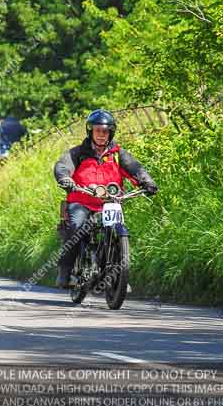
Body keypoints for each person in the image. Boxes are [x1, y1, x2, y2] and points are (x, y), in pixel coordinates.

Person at [53, 109, 158, 288]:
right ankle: (65, 271)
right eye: (98, 130)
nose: (101, 135)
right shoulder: (77, 153)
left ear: (111, 133)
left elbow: (135, 169)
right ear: (91, 132)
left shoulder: (118, 155)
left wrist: (147, 182)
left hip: (110, 203)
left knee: (117, 230)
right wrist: (65, 179)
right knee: (76, 227)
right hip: (82, 201)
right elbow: (62, 166)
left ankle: (118, 274)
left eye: (105, 131)